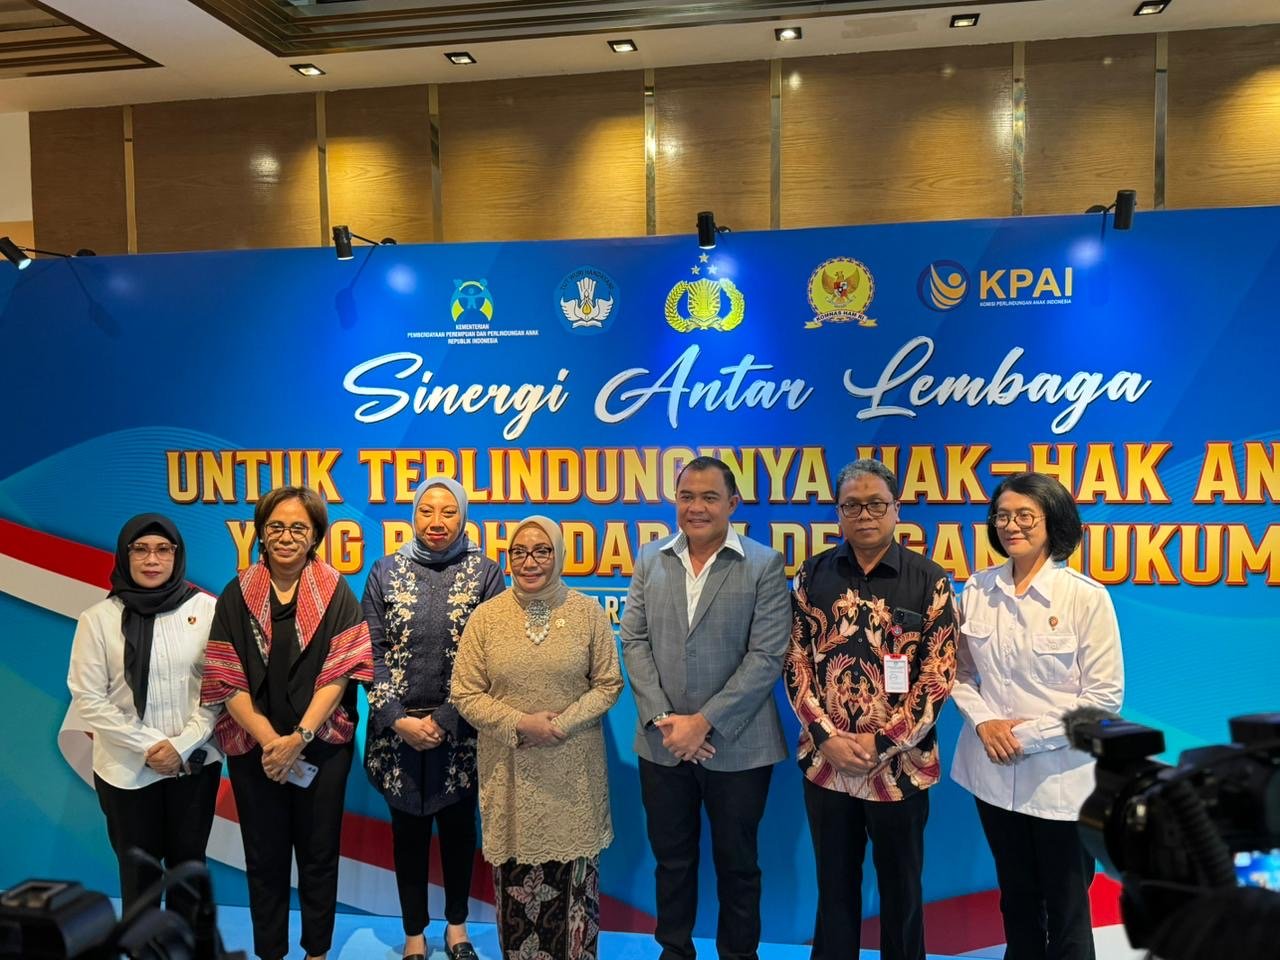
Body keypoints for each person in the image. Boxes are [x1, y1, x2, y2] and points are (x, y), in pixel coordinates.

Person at [786, 458, 958, 960]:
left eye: (876, 504)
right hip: (827, 766)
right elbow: (795, 662)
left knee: (901, 895)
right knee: (834, 891)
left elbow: (938, 677)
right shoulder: (812, 575)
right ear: (838, 512)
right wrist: (827, 738)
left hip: (901, 770)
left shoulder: (929, 580)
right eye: (852, 506)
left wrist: (881, 743)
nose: (865, 515)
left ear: (896, 509)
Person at [620, 456, 790, 960]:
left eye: (709, 497)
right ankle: (674, 951)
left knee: (738, 866)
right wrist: (663, 719)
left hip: (739, 746)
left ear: (732, 504)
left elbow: (767, 655)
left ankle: (739, 955)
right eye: (687, 497)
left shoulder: (763, 563)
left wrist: (704, 722)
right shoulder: (650, 559)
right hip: (662, 743)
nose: (696, 507)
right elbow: (633, 640)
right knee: (672, 863)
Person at [952, 471, 1124, 960]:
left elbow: (1104, 697)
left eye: (1025, 516)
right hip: (992, 776)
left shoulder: (1085, 596)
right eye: (1002, 516)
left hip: (1061, 781)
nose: (1012, 526)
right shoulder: (977, 589)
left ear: (1053, 521)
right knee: (1017, 900)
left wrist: (1023, 737)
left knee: (1068, 908)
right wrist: (984, 722)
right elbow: (957, 672)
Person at [200, 486, 373, 960]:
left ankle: (317, 952)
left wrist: (298, 737)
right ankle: (270, 952)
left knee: (319, 856)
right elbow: (225, 675)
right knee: (264, 858)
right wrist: (271, 742)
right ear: (261, 532)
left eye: (299, 527)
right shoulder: (236, 593)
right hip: (255, 749)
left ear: (315, 535)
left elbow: (340, 674)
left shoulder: (337, 592)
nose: (286, 536)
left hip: (321, 746)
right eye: (276, 526)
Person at [451, 515, 621, 960]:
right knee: (517, 897)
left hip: (574, 777)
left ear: (559, 554)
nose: (530, 562)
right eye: (519, 552)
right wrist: (521, 723)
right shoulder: (486, 618)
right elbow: (464, 692)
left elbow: (609, 684)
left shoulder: (587, 613)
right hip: (511, 775)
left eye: (542, 551)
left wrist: (560, 724)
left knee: (575, 892)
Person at [363, 477, 503, 960]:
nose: (437, 521)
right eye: (427, 511)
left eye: (448, 511)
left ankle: (457, 929)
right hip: (397, 734)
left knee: (460, 832)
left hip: (460, 732)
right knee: (408, 836)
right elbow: (371, 651)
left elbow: (490, 656)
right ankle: (414, 935)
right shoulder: (384, 571)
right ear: (413, 517)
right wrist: (396, 719)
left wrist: (445, 718)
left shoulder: (485, 573)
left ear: (463, 516)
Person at [65, 513, 222, 921]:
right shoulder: (98, 619)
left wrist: (180, 746)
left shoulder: (207, 610)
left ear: (177, 555)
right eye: (141, 549)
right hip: (125, 769)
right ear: (125, 554)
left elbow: (219, 688)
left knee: (189, 870)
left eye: (163, 549)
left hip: (193, 764)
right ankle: (143, 948)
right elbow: (88, 697)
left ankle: (186, 947)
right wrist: (152, 746)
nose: (152, 559)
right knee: (139, 876)